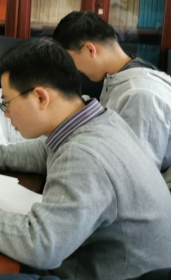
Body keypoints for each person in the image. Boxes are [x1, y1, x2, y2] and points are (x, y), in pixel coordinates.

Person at [0, 40, 171, 280]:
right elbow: (47, 152)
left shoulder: (84, 155)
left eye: (7, 103)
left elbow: (40, 245)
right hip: (115, 268)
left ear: (41, 97)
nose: (7, 113)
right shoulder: (98, 121)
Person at [53, 11, 171, 187]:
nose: (74, 69)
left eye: (71, 61)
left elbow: (137, 178)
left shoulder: (140, 94)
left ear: (90, 49)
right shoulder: (118, 76)